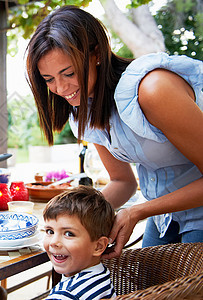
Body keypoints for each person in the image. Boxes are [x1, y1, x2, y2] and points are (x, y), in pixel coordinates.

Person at [26, 5, 203, 259]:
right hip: (162, 214)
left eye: (69, 73)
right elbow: (123, 182)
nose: (61, 88)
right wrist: (71, 220)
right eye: (48, 79)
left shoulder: (152, 89)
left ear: (97, 53)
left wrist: (138, 211)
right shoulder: (86, 109)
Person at [43, 186, 116, 299]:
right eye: (50, 231)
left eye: (69, 234)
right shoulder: (101, 274)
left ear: (98, 246)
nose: (54, 242)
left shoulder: (66, 294)